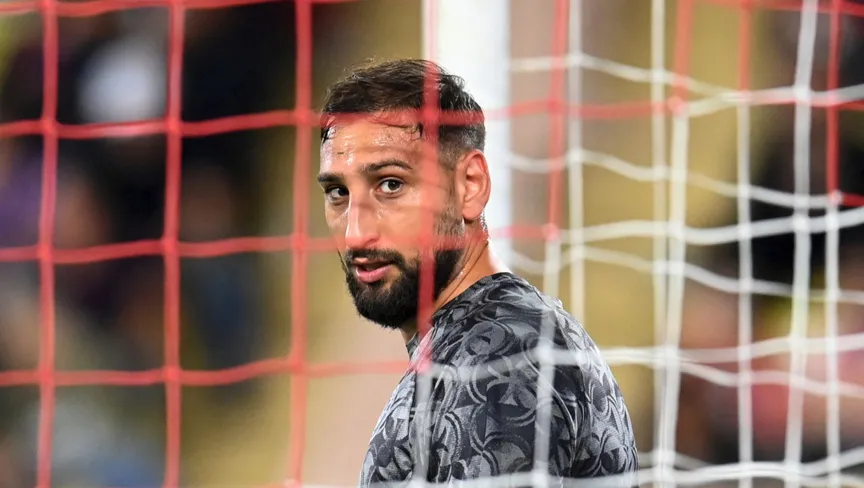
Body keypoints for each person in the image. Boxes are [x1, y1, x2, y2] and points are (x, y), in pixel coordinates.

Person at [317, 58, 639, 486]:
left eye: (390, 184)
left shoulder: (500, 359)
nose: (356, 233)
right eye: (338, 192)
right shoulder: (480, 343)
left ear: (470, 185)